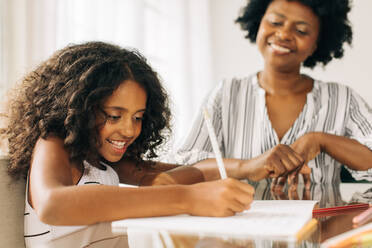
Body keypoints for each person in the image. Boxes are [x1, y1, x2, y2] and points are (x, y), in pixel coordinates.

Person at [2, 41, 255, 248]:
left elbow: (191, 172)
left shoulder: (102, 160)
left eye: (138, 118)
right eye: (114, 116)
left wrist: (248, 167)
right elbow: (53, 204)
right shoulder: (54, 144)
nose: (129, 129)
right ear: (79, 108)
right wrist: (187, 197)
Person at [170, 0, 372, 186]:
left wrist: (320, 140)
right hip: (244, 224)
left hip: (320, 223)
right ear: (258, 23)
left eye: (301, 31)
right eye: (276, 22)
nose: (284, 34)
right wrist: (247, 166)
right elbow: (185, 167)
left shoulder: (343, 98)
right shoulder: (227, 94)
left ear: (317, 43)